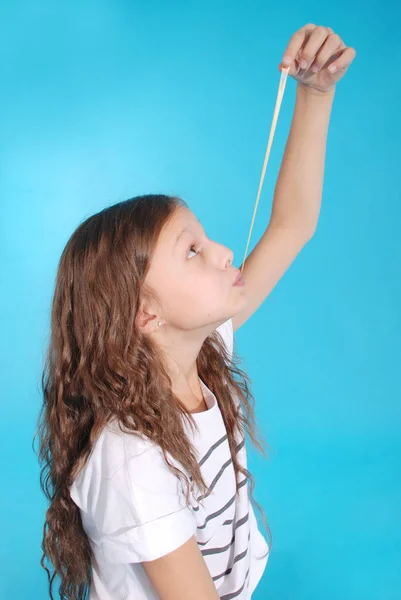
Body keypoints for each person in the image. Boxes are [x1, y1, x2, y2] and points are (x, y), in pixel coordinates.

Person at [35, 23, 356, 600]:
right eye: (192, 250)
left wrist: (316, 94)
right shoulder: (133, 458)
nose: (224, 251)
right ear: (144, 315)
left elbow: (291, 226)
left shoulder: (199, 356)